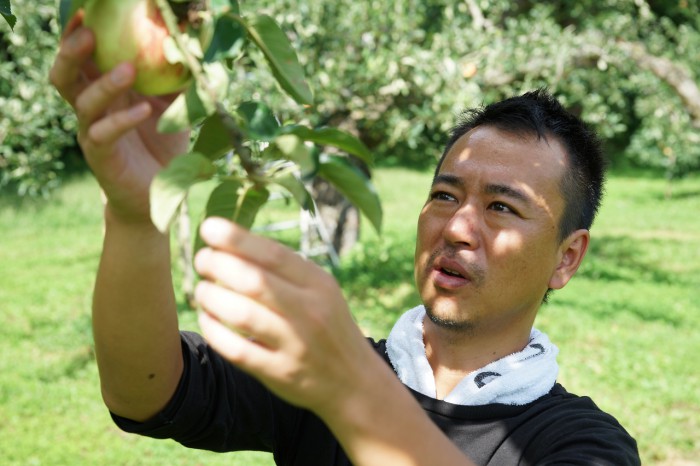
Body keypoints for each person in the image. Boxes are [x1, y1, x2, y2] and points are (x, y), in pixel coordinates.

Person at [50, 12, 640, 466]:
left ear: (567, 258)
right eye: (444, 195)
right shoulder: (331, 374)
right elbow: (145, 389)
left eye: (502, 206)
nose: (457, 227)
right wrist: (135, 215)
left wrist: (349, 388)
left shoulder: (581, 442)